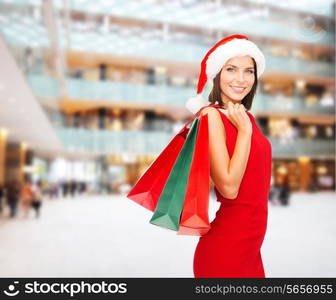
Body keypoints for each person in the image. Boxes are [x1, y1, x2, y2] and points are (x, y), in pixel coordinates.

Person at [189, 35, 272, 278]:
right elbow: (229, 188)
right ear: (217, 74)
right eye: (231, 69)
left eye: (249, 71)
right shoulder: (211, 116)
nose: (241, 79)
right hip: (226, 252)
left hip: (250, 249)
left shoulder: (247, 118)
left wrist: (246, 126)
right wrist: (244, 132)